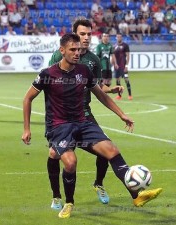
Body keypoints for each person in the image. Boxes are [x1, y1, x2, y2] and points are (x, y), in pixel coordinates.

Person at [22, 33, 163, 219]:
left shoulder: (84, 72)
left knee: (112, 150)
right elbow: (28, 98)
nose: (77, 53)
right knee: (71, 163)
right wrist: (26, 128)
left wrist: (121, 114)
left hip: (83, 123)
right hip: (59, 127)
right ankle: (69, 202)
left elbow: (101, 95)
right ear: (61, 50)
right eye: (72, 50)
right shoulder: (48, 74)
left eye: (78, 50)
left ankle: (137, 196)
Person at [48, 19, 124, 210]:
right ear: (74, 35)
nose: (87, 38)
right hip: (62, 117)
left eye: (90, 34)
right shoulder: (59, 56)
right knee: (54, 155)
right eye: (83, 34)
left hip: (85, 115)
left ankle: (98, 184)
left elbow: (96, 87)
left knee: (106, 150)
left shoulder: (93, 60)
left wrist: (111, 89)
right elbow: (51, 83)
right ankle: (57, 197)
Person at [114, 33, 133, 100]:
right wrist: (114, 64)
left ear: (122, 38)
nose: (119, 38)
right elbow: (113, 56)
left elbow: (128, 55)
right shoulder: (114, 46)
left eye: (120, 37)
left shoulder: (125, 45)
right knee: (117, 80)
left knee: (126, 79)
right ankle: (119, 95)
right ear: (116, 38)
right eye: (118, 37)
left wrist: (126, 65)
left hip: (123, 66)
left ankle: (130, 95)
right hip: (117, 66)